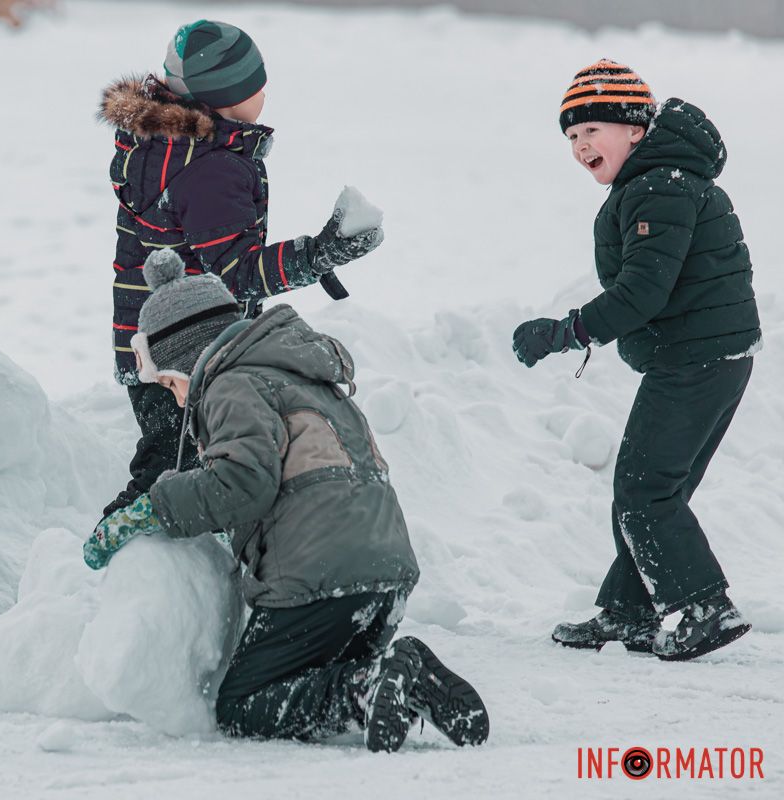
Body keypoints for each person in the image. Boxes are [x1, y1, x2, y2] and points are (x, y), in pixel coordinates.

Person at [83, 249, 489, 753]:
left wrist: (153, 507)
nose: (176, 398)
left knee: (243, 705)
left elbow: (242, 481)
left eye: (170, 383)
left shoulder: (230, 385)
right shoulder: (296, 373)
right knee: (318, 670)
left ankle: (365, 690)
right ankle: (399, 675)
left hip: (322, 573)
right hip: (383, 569)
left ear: (190, 360)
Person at [512, 60, 761, 661]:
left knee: (644, 490)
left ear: (634, 127)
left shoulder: (661, 187)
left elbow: (642, 292)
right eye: (572, 137)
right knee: (652, 489)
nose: (581, 146)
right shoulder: (663, 182)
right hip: (712, 355)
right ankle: (630, 611)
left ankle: (703, 606)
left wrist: (564, 331)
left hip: (694, 359)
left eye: (592, 129)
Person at [97, 19, 383, 522]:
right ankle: (127, 540)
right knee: (172, 465)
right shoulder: (210, 167)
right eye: (256, 87)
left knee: (181, 452)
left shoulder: (163, 143)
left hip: (146, 338)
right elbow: (238, 273)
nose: (265, 94)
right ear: (224, 102)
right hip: (187, 350)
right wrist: (320, 253)